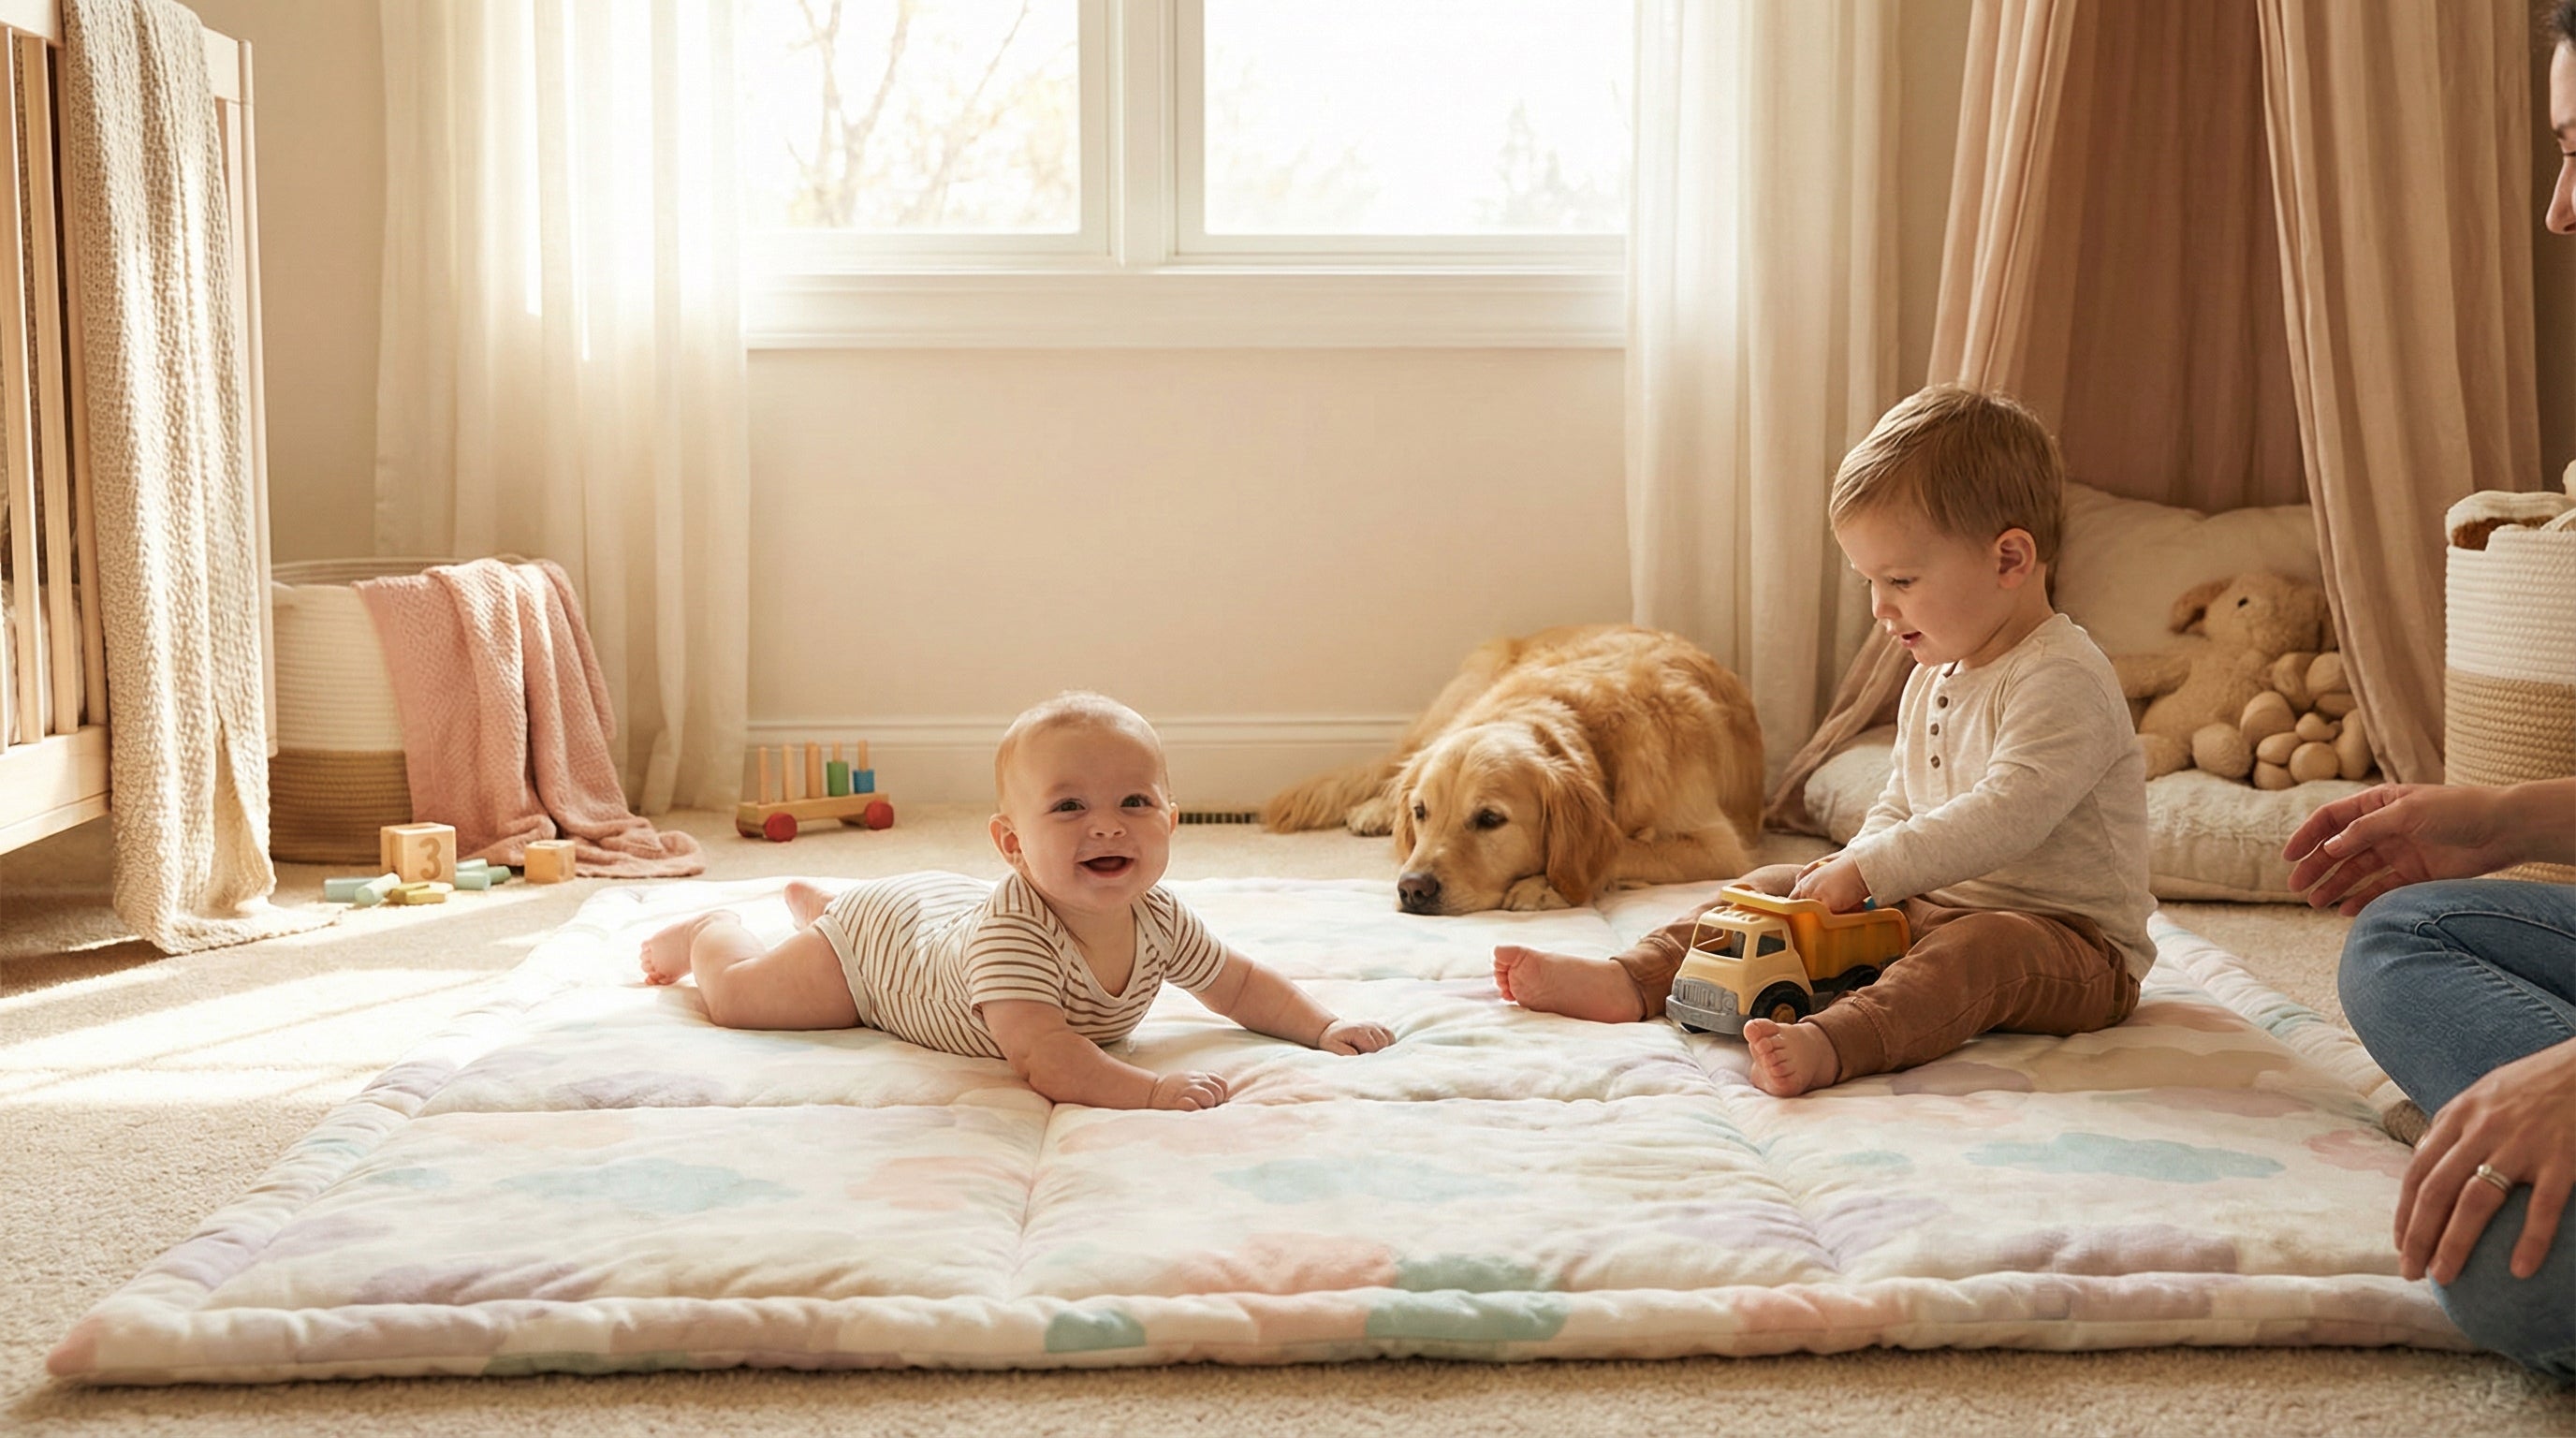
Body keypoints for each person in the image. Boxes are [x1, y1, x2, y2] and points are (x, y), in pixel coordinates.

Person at [1493, 385, 2155, 1098]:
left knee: (1981, 948)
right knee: (1775, 890)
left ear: (2010, 560)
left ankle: (1839, 1041)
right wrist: (1854, 876)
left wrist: (1872, 874)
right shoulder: (1936, 672)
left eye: (1900, 579)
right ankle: (1638, 977)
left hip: (2067, 945)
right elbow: (1903, 803)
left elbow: (2009, 811)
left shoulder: (2063, 677)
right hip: (1931, 904)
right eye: (1869, 580)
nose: (1880, 606)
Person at [639, 692, 1392, 1109]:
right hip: (878, 958)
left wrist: (1322, 1027)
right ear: (1011, 845)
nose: (1106, 823)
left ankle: (824, 906)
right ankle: (716, 928)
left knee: (874, 916)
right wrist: (1151, 1092)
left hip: (932, 912)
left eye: (1134, 801)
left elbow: (1241, 985)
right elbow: (1047, 1058)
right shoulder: (1014, 938)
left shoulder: (1160, 917)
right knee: (741, 1000)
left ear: (1169, 818)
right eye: (1068, 808)